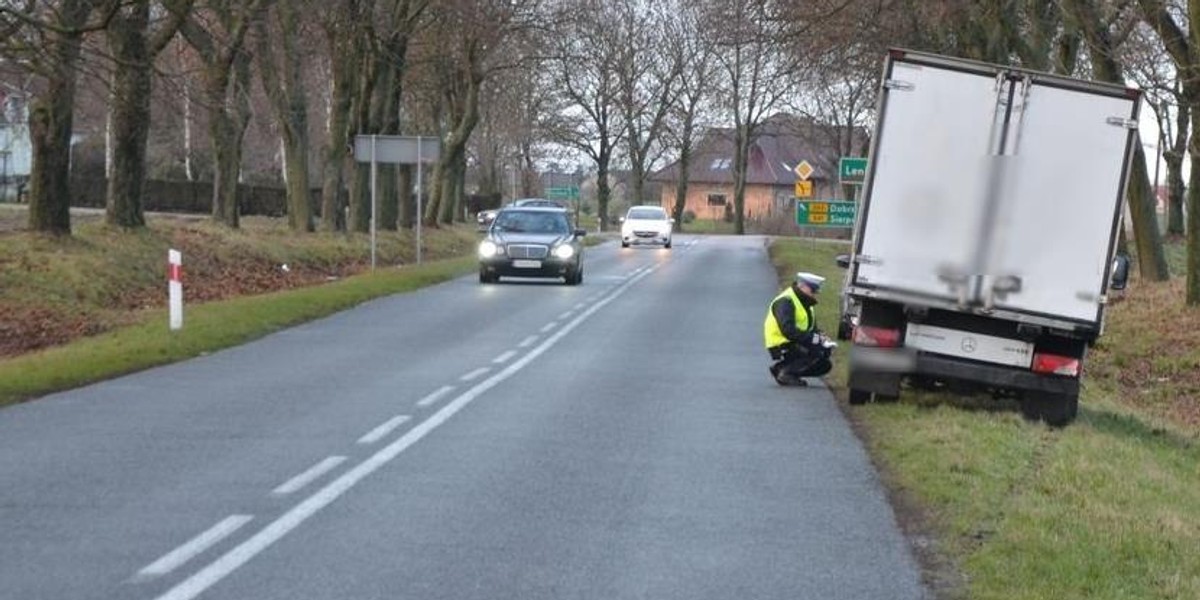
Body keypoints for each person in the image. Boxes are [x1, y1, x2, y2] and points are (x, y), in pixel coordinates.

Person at [763, 271, 835, 387]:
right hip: (781, 342)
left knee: (824, 361)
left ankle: (781, 368)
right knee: (816, 351)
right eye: (813, 290)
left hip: (794, 341)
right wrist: (814, 339)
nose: (815, 294)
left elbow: (812, 328)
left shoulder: (805, 303)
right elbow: (788, 330)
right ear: (802, 286)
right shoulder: (785, 301)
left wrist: (822, 339)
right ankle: (786, 373)